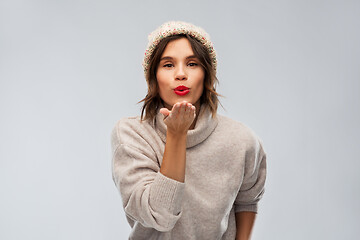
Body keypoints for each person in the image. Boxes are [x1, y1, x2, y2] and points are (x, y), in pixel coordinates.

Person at [110, 21, 267, 240]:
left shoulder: (242, 140)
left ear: (207, 74)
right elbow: (160, 216)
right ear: (154, 77)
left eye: (192, 64)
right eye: (168, 65)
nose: (181, 74)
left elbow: (248, 200)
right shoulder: (131, 135)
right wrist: (176, 135)